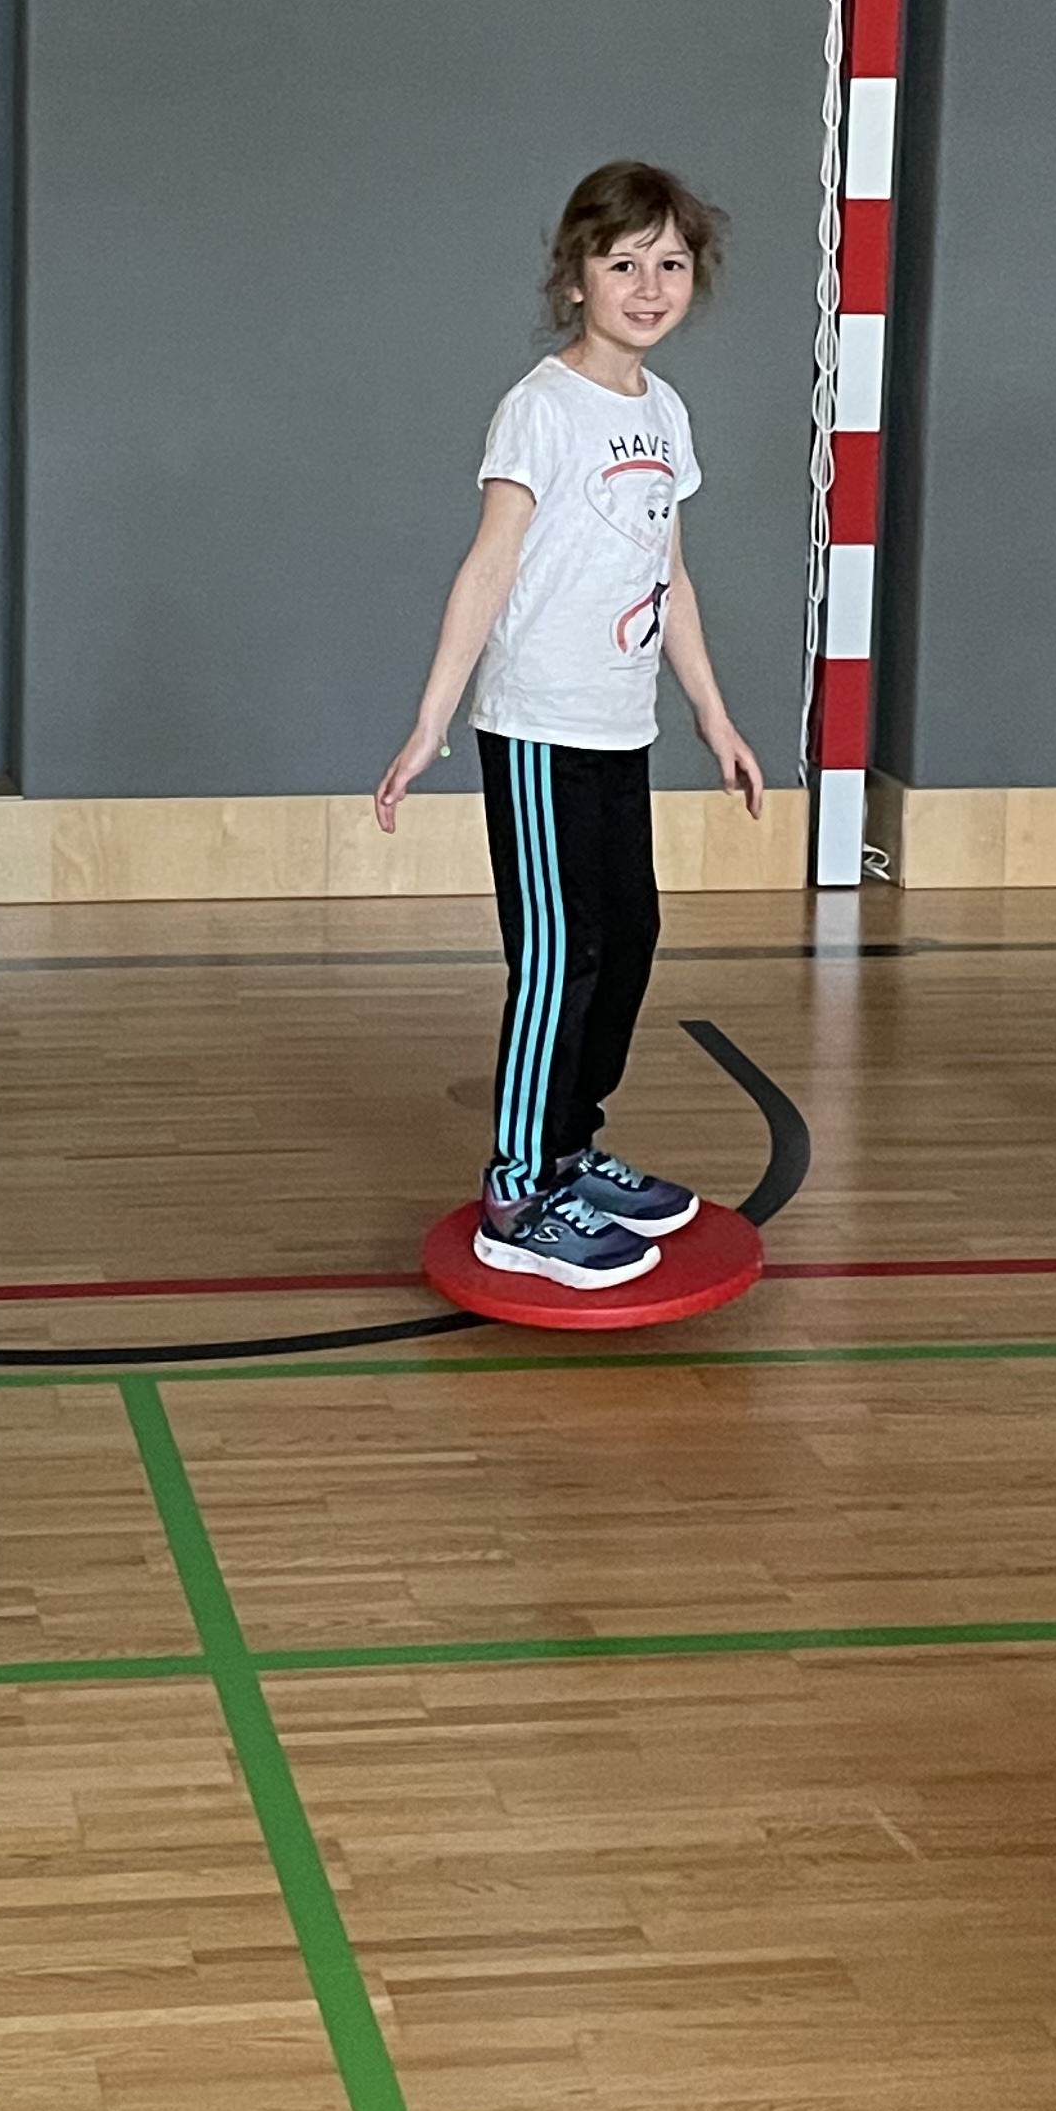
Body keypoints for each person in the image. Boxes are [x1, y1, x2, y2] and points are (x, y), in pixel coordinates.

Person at [374, 161, 765, 1292]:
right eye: (623, 263)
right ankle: (515, 1192)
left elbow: (669, 576)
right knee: (560, 953)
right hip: (538, 725)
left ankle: (566, 1149)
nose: (649, 287)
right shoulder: (541, 408)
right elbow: (489, 565)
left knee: (629, 938)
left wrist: (713, 714)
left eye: (671, 264)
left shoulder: (666, 413)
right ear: (576, 277)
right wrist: (431, 721)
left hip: (619, 725)